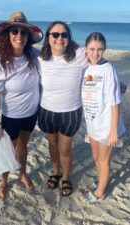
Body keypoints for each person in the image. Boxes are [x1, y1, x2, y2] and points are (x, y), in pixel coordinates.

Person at [0, 11, 43, 202]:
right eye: (15, 31)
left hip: (31, 113)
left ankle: (22, 174)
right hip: (11, 116)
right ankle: (3, 182)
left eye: (23, 32)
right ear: (8, 35)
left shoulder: (34, 56)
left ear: (28, 37)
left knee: (23, 146)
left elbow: (60, 59)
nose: (19, 35)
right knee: (7, 151)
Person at [37, 21, 88, 196]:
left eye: (64, 35)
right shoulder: (40, 59)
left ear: (69, 38)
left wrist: (116, 84)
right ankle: (55, 172)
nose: (60, 38)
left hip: (71, 111)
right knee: (52, 144)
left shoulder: (80, 55)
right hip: (46, 111)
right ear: (48, 38)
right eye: (55, 35)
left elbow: (99, 60)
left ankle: (66, 177)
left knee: (65, 148)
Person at [81, 32, 126, 204]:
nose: (95, 53)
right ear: (86, 49)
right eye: (92, 49)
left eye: (100, 49)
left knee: (103, 160)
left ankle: (100, 192)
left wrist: (113, 131)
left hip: (107, 125)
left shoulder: (108, 70)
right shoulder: (87, 68)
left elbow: (115, 103)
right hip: (93, 124)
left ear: (105, 50)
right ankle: (101, 180)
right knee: (95, 157)